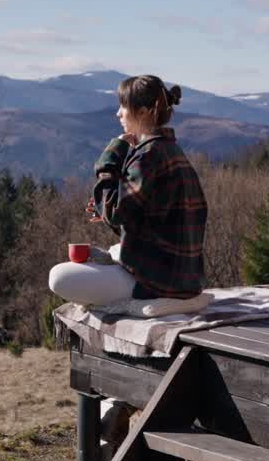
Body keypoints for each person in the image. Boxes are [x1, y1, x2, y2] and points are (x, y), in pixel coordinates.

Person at [48, 75, 208, 306]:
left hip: (157, 282)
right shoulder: (172, 152)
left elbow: (114, 211)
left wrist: (112, 157)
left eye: (123, 106)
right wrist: (109, 210)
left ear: (143, 111)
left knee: (60, 277)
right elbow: (143, 220)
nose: (118, 113)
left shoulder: (147, 156)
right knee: (103, 256)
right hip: (186, 278)